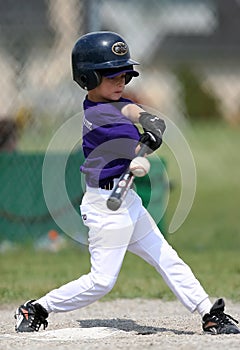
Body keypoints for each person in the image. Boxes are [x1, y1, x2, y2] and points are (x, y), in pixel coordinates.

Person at [14, 31, 239, 335]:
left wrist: (147, 119)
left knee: (166, 256)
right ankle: (37, 308)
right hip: (106, 208)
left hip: (127, 199)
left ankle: (208, 312)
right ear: (89, 77)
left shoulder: (104, 103)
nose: (120, 81)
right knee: (101, 282)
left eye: (124, 75)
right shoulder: (103, 122)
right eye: (111, 75)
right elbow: (132, 145)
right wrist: (142, 149)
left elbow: (129, 108)